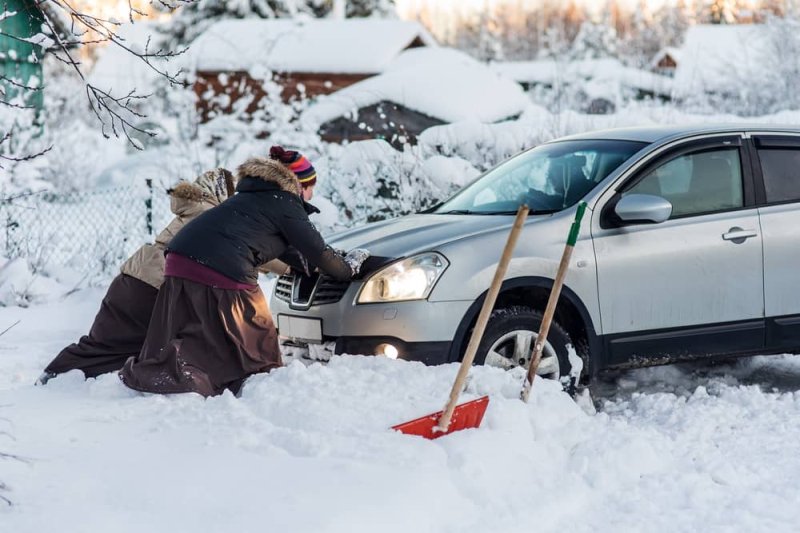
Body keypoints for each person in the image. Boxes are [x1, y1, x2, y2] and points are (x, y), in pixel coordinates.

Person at [119, 147, 368, 397]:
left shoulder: (253, 198)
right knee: (257, 333)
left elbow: (292, 252)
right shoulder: (285, 203)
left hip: (177, 262)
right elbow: (317, 251)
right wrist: (348, 268)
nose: (313, 193)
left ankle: (191, 375)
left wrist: (320, 262)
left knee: (206, 335)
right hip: (220, 265)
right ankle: (262, 390)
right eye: (312, 185)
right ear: (300, 184)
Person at [37, 168, 237, 385]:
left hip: (130, 280)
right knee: (124, 345)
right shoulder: (210, 214)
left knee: (109, 343)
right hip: (151, 286)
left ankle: (58, 375)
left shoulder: (193, 210)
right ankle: (57, 376)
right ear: (222, 193)